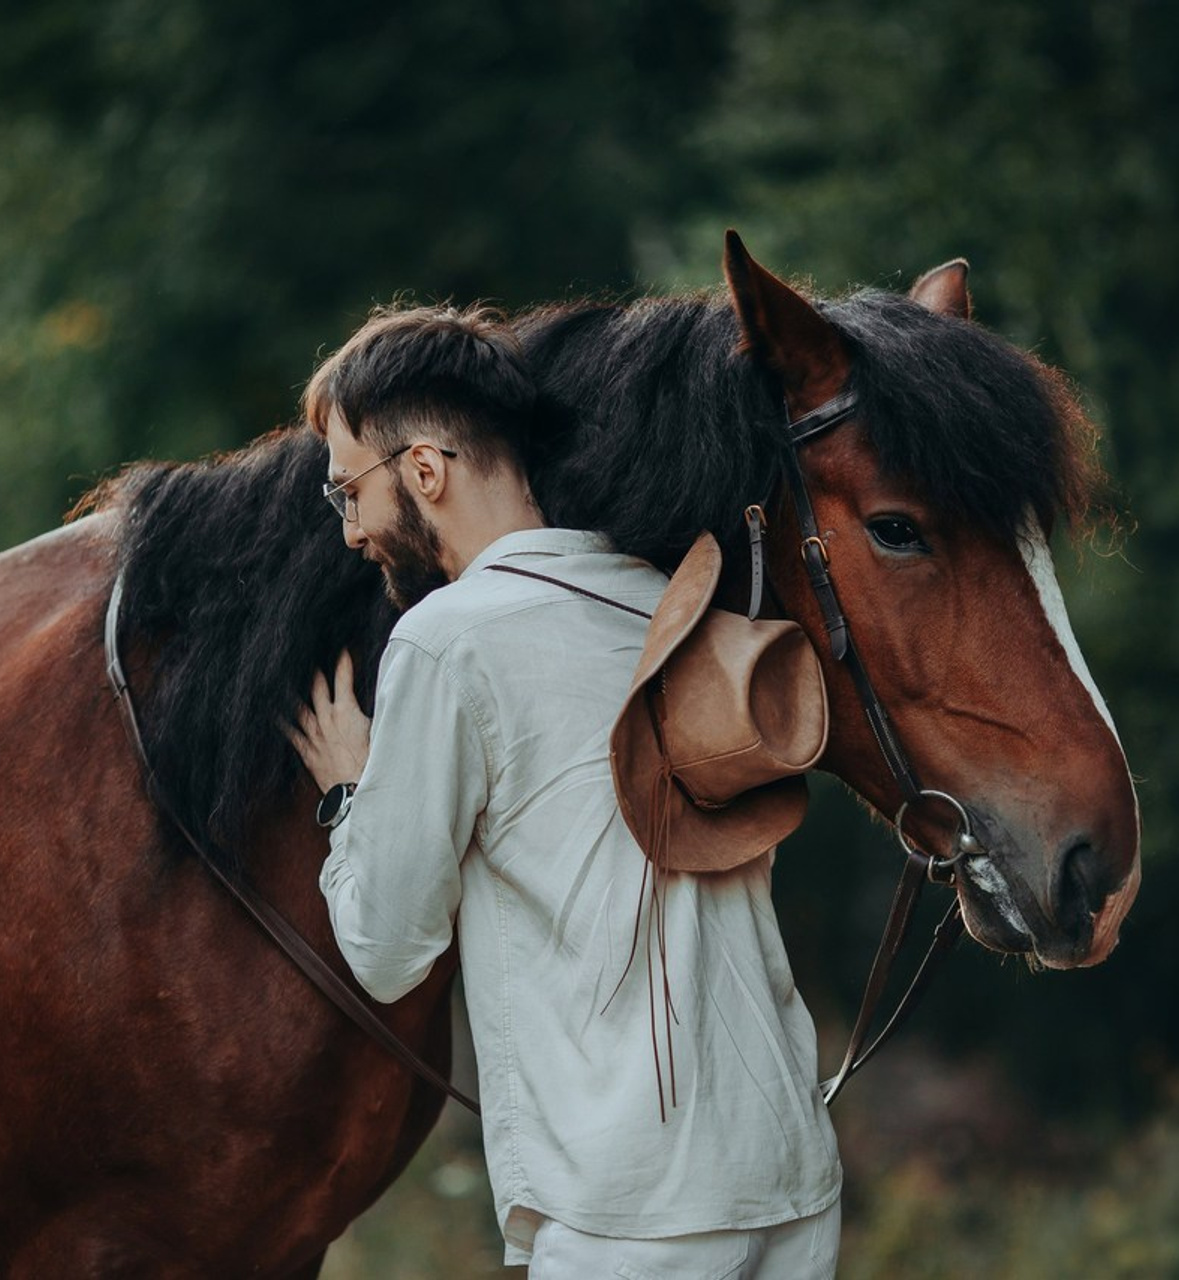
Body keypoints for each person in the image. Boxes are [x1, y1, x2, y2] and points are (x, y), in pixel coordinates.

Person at [288, 303, 842, 1277]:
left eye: (349, 492)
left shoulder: (449, 638)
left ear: (425, 471)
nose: (351, 532)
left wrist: (349, 796)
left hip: (629, 1206)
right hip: (788, 1178)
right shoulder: (665, 601)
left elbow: (383, 947)